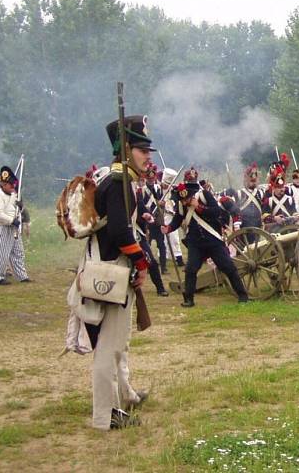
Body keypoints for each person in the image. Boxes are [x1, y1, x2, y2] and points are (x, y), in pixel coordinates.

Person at [81, 114, 154, 430]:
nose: (147, 156)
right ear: (126, 149)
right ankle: (105, 416)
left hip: (108, 271)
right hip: (109, 274)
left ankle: (123, 398)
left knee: (115, 346)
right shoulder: (119, 182)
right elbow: (123, 234)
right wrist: (141, 263)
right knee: (107, 350)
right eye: (141, 150)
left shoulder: (115, 180)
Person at [162, 168, 249, 308]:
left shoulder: (205, 195)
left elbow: (216, 212)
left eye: (187, 199)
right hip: (195, 242)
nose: (184, 202)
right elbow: (178, 218)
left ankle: (243, 296)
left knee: (229, 267)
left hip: (213, 240)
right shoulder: (181, 203)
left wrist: (199, 207)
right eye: (182, 200)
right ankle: (189, 299)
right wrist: (169, 228)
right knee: (191, 270)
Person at [0, 166, 31, 284]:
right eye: (10, 185)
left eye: (13, 185)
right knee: (2, 253)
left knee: (18, 252)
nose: (13, 187)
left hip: (14, 228)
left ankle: (22, 276)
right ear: (3, 185)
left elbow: (17, 210)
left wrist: (20, 207)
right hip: (3, 227)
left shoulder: (14, 195)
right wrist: (11, 220)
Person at [134, 174, 169, 297]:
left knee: (152, 262)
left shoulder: (136, 192)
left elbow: (141, 208)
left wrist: (146, 214)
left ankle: (160, 288)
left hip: (137, 232)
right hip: (123, 232)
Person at [160, 167, 184, 267]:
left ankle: (179, 259)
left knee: (174, 238)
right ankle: (163, 258)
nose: (165, 186)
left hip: (171, 217)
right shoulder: (158, 190)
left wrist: (166, 204)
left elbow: (175, 204)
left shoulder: (173, 192)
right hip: (161, 217)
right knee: (163, 240)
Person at [237, 162, 264, 230]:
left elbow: (265, 210)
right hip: (244, 228)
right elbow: (233, 210)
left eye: (256, 175)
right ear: (246, 178)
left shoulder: (261, 193)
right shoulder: (239, 193)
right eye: (251, 175)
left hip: (259, 227)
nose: (254, 177)